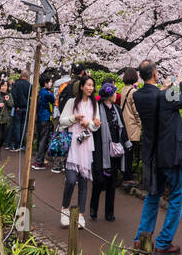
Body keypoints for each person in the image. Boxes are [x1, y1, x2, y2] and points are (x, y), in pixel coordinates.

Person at [132, 59, 182, 255]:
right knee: (177, 194)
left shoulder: (138, 95)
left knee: (153, 195)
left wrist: (166, 88)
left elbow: (159, 99)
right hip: (170, 154)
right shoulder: (164, 95)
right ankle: (164, 242)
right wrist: (181, 82)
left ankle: (141, 238)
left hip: (152, 154)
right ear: (155, 74)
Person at [56, 74, 99, 229]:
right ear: (81, 86)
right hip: (72, 144)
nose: (90, 88)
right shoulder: (71, 102)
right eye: (88, 85)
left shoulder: (94, 105)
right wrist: (74, 118)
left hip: (86, 146)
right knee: (71, 180)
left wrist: (90, 123)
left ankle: (81, 214)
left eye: (92, 85)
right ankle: (64, 209)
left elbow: (96, 126)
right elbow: (62, 121)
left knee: (83, 181)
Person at [89, 81, 125, 222]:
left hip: (115, 150)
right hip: (101, 150)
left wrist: (126, 144)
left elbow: (122, 129)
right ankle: (93, 208)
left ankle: (109, 212)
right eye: (114, 93)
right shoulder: (97, 109)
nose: (116, 95)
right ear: (109, 95)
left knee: (112, 183)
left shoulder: (117, 109)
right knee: (99, 181)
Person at [118, 67, 141, 186]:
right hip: (132, 125)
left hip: (124, 123)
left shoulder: (123, 90)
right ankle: (128, 176)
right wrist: (140, 124)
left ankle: (125, 173)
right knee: (130, 152)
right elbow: (136, 111)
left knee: (126, 151)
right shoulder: (133, 92)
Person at [31, 73, 56, 169]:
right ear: (45, 83)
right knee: (43, 140)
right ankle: (39, 161)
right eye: (49, 82)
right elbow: (53, 99)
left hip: (40, 118)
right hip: (45, 118)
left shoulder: (40, 92)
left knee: (41, 139)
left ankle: (39, 159)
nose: (51, 83)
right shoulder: (47, 93)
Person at [8, 69, 31, 151]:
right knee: (23, 126)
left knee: (17, 126)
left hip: (18, 107)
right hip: (26, 108)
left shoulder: (17, 84)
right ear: (27, 76)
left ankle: (17, 144)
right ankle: (22, 144)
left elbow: (14, 95)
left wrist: (16, 105)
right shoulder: (29, 85)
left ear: (21, 75)